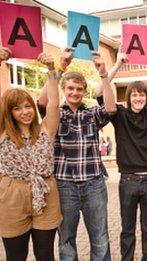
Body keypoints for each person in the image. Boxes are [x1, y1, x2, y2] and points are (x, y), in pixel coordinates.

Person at [37, 49, 116, 261]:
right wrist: (59, 68)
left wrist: (103, 73)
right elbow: (42, 103)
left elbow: (110, 108)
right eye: (70, 88)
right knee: (66, 239)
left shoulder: (91, 113)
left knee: (100, 238)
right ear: (63, 89)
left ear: (84, 91)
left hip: (94, 184)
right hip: (64, 186)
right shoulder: (56, 113)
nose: (74, 92)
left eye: (79, 89)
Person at [96, 52, 147, 261]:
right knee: (127, 230)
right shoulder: (119, 115)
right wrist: (114, 66)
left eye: (142, 94)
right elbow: (100, 93)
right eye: (134, 94)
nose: (138, 98)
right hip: (127, 181)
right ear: (129, 97)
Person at [0, 49, 61, 261]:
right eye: (17, 108)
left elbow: (53, 104)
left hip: (45, 191)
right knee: (16, 256)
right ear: (9, 112)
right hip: (12, 195)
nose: (25, 112)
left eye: (28, 106)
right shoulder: (3, 134)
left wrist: (52, 70)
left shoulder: (45, 130)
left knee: (45, 254)